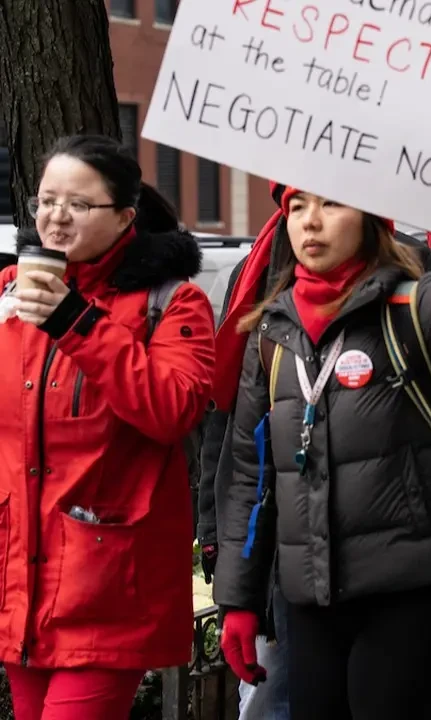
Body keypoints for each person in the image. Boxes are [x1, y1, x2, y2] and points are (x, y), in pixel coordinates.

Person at [213, 135, 431, 719]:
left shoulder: (418, 304)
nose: (310, 222)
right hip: (311, 596)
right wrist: (238, 597)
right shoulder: (272, 331)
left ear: (372, 220)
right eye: (296, 206)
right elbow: (250, 470)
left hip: (414, 590)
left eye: (330, 203)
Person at [0, 135, 215, 718]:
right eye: (46, 201)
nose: (55, 217)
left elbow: (172, 409)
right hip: (20, 575)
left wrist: (75, 320)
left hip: (105, 581)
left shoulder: (172, 303)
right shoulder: (9, 296)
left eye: (77, 204)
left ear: (125, 217)